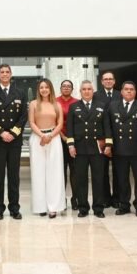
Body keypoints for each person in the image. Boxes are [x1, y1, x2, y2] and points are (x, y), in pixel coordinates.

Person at [0, 64, 27, 220]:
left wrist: (13, 133)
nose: (4, 74)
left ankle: (14, 208)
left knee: (14, 176)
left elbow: (23, 117)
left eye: (7, 72)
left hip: (14, 141)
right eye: (2, 72)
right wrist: (2, 133)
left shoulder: (20, 93)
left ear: (11, 74)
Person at [107, 81, 137, 217]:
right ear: (121, 92)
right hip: (119, 149)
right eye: (126, 89)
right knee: (122, 179)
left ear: (135, 92)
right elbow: (108, 127)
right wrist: (109, 145)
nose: (129, 91)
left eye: (131, 89)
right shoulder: (113, 106)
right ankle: (124, 205)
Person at [67, 80, 108, 218]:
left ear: (93, 91)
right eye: (84, 89)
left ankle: (98, 208)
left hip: (97, 148)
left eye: (89, 89)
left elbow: (107, 127)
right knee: (81, 179)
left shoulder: (101, 106)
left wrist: (108, 145)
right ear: (80, 91)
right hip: (80, 148)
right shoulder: (74, 107)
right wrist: (71, 145)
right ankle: (83, 207)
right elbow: (70, 129)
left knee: (98, 178)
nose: (87, 91)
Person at [28, 79, 65, 218]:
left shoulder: (57, 105)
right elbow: (31, 122)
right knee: (38, 173)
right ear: (38, 89)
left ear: (50, 89)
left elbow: (60, 124)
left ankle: (53, 207)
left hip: (54, 139)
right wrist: (42, 136)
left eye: (46, 87)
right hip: (37, 138)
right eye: (41, 87)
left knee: (54, 173)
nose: (44, 90)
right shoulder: (33, 104)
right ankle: (40, 206)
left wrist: (49, 136)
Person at [97, 71, 119, 208]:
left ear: (114, 81)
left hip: (119, 139)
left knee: (118, 171)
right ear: (102, 81)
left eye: (111, 79)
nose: (108, 81)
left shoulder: (120, 94)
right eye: (106, 79)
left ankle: (117, 198)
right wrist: (102, 139)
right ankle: (105, 198)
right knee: (102, 171)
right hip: (102, 138)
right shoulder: (95, 96)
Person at [56, 80, 78, 210]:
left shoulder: (76, 102)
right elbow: (53, 122)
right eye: (64, 86)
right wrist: (63, 137)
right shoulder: (55, 102)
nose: (66, 88)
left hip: (74, 142)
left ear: (72, 89)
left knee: (75, 172)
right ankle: (61, 200)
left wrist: (71, 140)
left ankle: (75, 199)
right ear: (60, 88)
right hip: (58, 140)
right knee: (61, 172)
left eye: (69, 86)